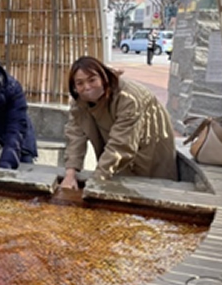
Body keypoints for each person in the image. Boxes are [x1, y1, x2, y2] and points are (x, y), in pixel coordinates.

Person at [60, 56, 177, 190]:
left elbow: (121, 144)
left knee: (148, 194)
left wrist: (97, 179)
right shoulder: (79, 102)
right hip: (118, 153)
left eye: (92, 80)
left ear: (103, 78)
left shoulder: (128, 98)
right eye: (80, 83)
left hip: (148, 150)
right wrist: (70, 174)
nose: (87, 87)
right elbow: (75, 136)